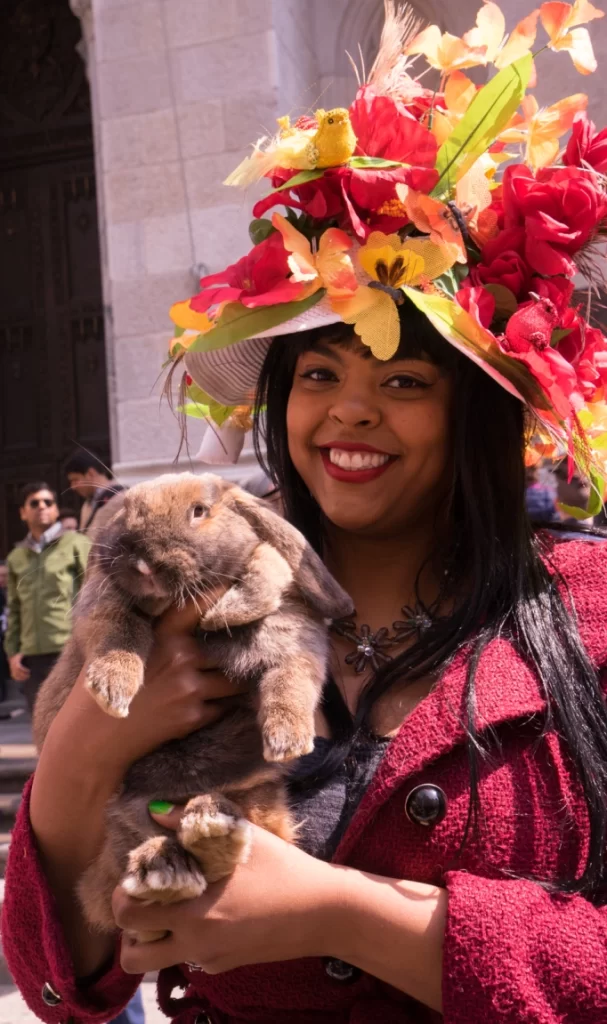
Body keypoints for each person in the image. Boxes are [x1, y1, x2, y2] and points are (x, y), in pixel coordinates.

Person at [4, 5, 607, 1022]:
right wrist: (78, 751)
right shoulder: (176, 604)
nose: (349, 410)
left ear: (477, 416)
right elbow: (61, 986)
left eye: (406, 380)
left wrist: (346, 916)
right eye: (318, 370)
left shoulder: (584, 616)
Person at [3, 483, 91, 715]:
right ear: (23, 512)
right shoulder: (16, 557)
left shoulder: (76, 544)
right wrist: (13, 653)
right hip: (34, 659)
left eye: (48, 502)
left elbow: (93, 594)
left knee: (77, 724)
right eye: (34, 503)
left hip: (71, 650)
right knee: (43, 729)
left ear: (55, 510)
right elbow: (14, 608)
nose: (42, 507)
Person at [64, 449, 124, 534]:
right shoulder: (87, 504)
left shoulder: (122, 499)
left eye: (75, 480)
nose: (73, 487)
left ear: (90, 473)